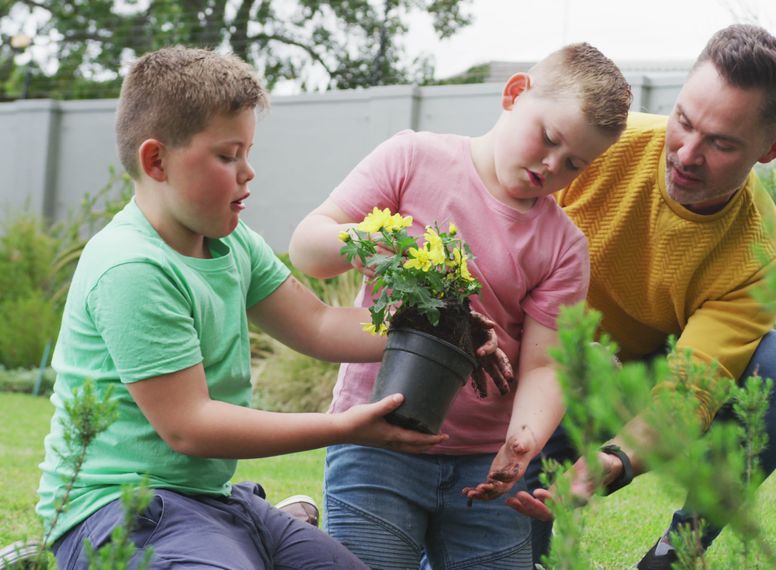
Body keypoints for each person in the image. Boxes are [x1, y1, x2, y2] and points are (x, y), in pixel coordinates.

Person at [33, 46, 496, 569]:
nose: (248, 172)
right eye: (228, 156)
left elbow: (318, 324)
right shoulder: (132, 267)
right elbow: (190, 426)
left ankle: (253, 526)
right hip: (115, 510)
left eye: (248, 153)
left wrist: (448, 330)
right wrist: (344, 427)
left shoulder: (232, 245)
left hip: (208, 504)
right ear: (156, 160)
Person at [287, 43, 633, 569]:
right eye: (549, 139)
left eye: (573, 165)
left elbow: (545, 363)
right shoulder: (412, 158)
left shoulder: (563, 247)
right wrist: (381, 240)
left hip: (483, 460)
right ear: (516, 94)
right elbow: (308, 247)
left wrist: (522, 444)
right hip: (377, 438)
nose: (550, 165)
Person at [508, 25, 776, 569]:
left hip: (631, 378)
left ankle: (673, 554)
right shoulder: (592, 147)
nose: (686, 154)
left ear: (772, 149)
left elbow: (691, 388)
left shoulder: (764, 255)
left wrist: (618, 459)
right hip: (533, 365)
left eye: (722, 143)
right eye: (683, 121)